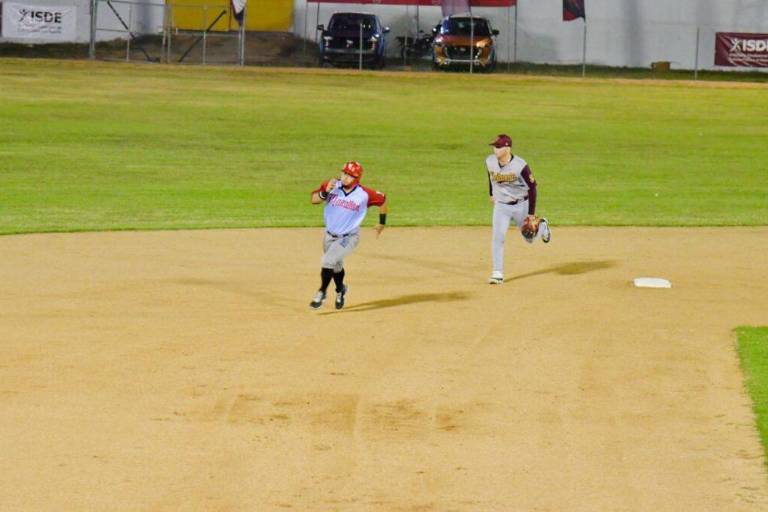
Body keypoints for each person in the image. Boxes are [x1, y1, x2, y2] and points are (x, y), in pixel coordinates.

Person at [309, 161, 388, 309]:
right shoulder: (332, 186)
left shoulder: (364, 194)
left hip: (348, 237)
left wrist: (381, 223)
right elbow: (314, 200)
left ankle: (321, 293)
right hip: (329, 236)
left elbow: (383, 200)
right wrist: (325, 192)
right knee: (336, 267)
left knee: (328, 261)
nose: (345, 177)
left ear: (357, 178)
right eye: (344, 173)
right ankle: (341, 289)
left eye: (350, 175)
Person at [486, 134, 551, 284]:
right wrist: (491, 193)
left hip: (522, 204)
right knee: (498, 236)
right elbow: (490, 176)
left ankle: (543, 226)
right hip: (501, 206)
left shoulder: (520, 166)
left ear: (507, 148)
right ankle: (497, 272)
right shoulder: (489, 161)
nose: (495, 149)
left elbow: (533, 188)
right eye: (494, 146)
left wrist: (531, 214)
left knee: (529, 238)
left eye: (499, 146)